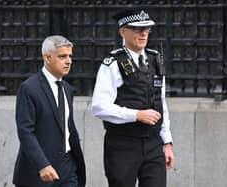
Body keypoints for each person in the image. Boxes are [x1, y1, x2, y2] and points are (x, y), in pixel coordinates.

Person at [91, 9, 174, 187]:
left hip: (153, 144)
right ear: (123, 31)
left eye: (146, 29)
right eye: (137, 29)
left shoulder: (155, 60)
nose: (143, 33)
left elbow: (161, 103)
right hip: (123, 144)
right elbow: (99, 106)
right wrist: (136, 115)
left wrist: (167, 142)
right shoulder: (112, 63)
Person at [13, 35, 86, 187]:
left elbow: (67, 127)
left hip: (67, 169)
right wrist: (42, 164)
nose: (68, 61)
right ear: (47, 58)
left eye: (70, 56)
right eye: (62, 56)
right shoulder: (29, 88)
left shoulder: (67, 89)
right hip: (38, 172)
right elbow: (25, 131)